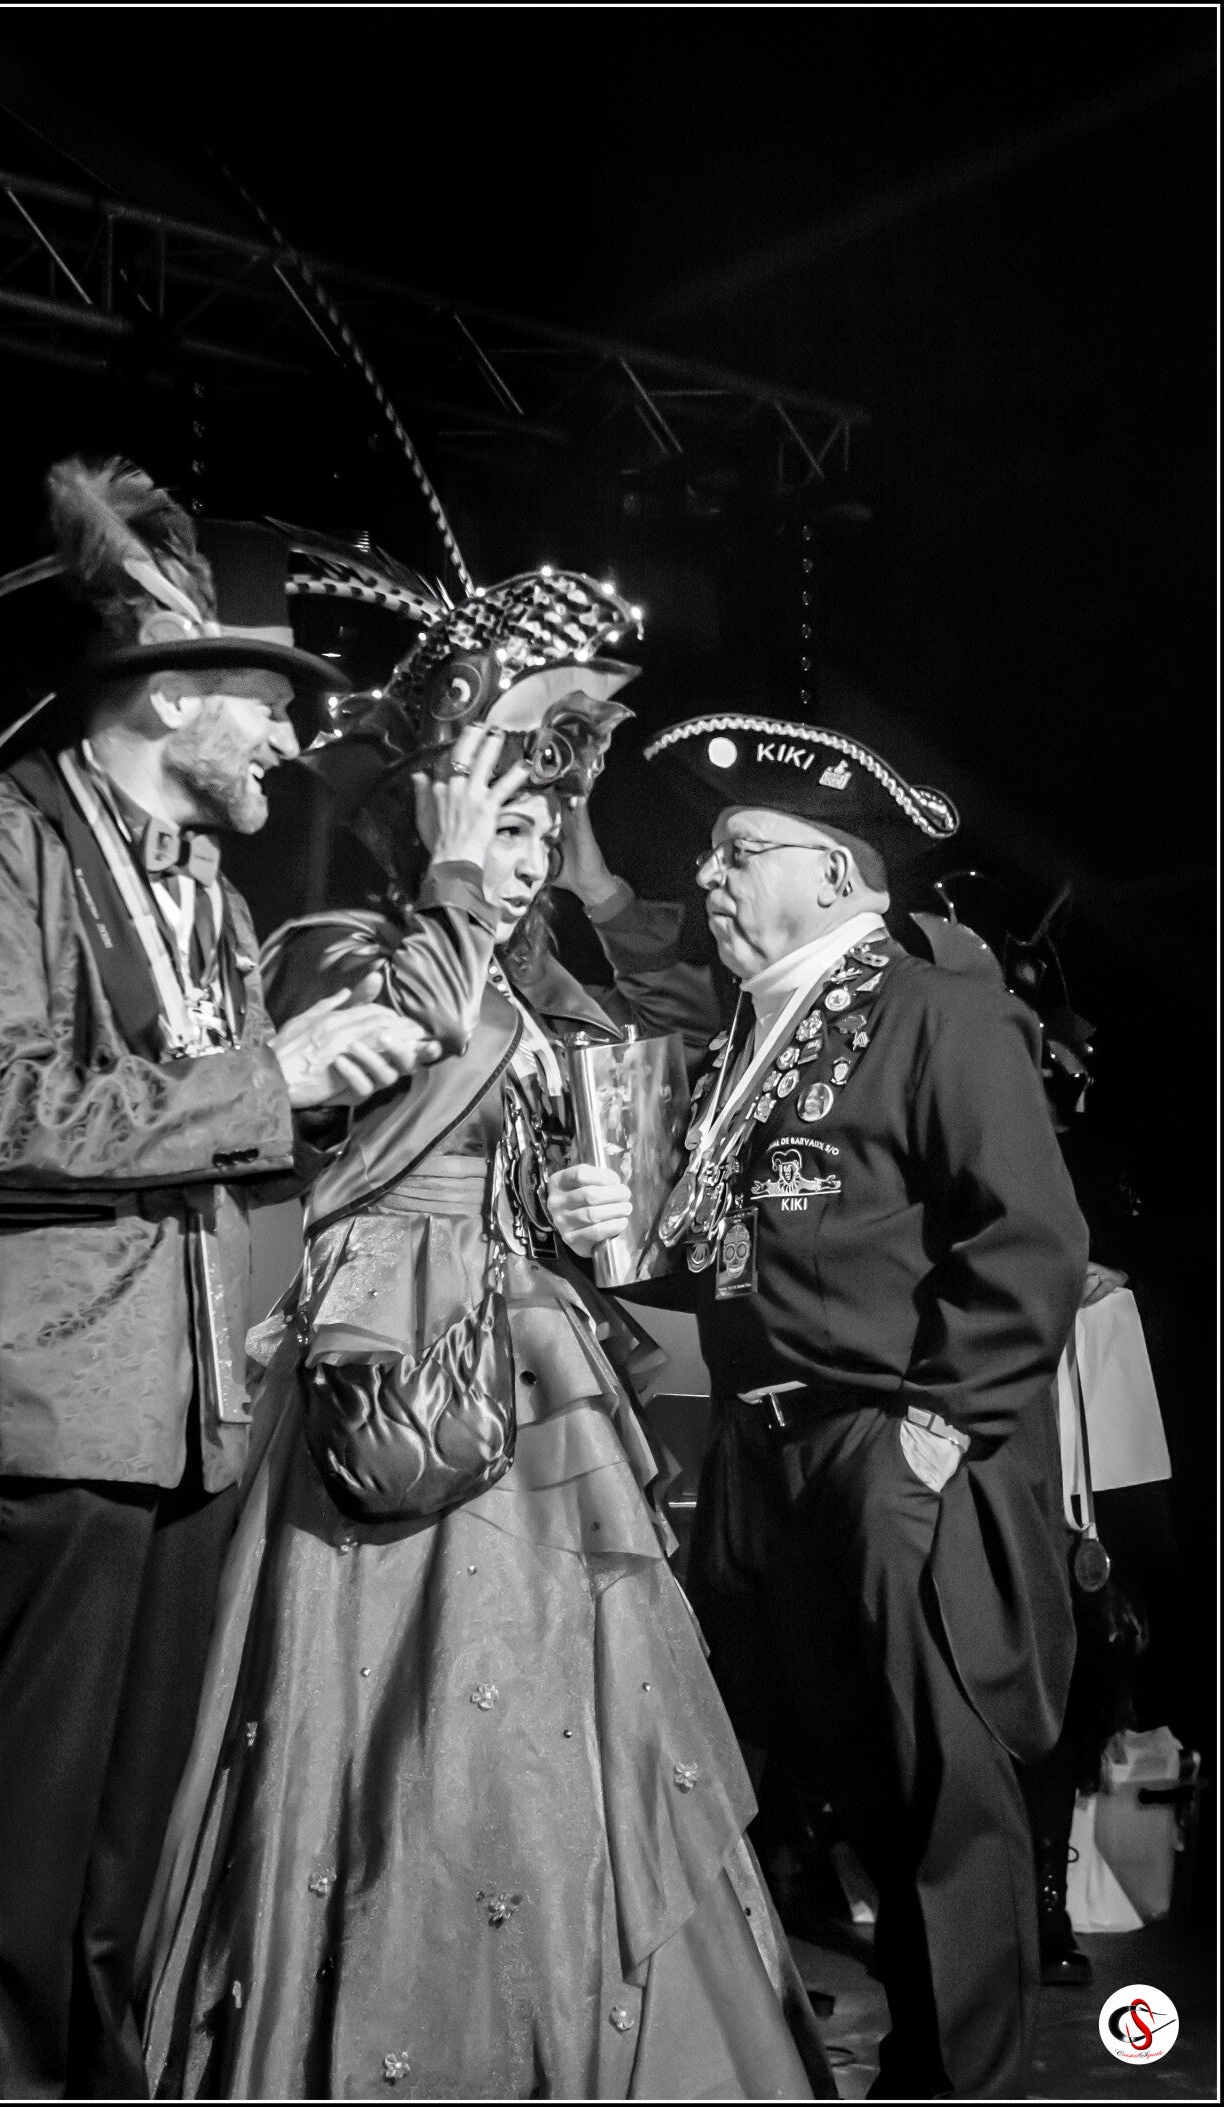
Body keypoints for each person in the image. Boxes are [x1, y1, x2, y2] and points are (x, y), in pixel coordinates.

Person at [139, 573, 833, 2101]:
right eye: (500, 829)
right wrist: (452, 873)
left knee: (560, 1733)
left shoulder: (523, 980)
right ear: (433, 829)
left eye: (537, 835)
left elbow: (550, 1142)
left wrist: (583, 1213)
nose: (522, 865)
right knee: (383, 1730)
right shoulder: (337, 947)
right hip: (389, 1359)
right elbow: (395, 1070)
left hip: (520, 1357)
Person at [0, 460, 439, 2099]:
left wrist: (319, 1100)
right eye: (268, 701)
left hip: (190, 1417)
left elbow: (204, 1117)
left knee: (128, 1859)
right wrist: (274, 1079)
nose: (289, 736)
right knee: (3, 1854)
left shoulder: (201, 886)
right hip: (42, 1406)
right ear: (174, 687)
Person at [642, 712, 1088, 2098]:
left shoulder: (937, 1012)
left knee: (944, 1808)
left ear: (834, 874)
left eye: (740, 850)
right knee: (853, 1794)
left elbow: (1029, 1242)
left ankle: (966, 2087)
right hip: (770, 1452)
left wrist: (933, 1435)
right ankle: (911, 2075)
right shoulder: (753, 1040)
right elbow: (746, 1250)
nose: (707, 875)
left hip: (892, 1445)